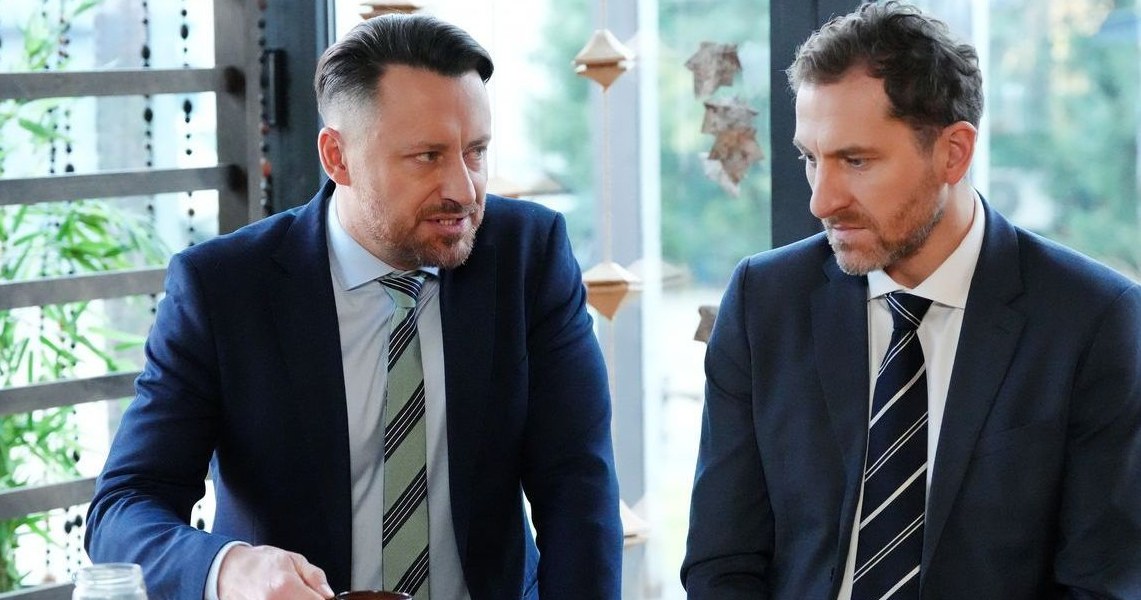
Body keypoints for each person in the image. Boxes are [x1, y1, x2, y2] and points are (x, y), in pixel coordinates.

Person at [85, 14, 622, 600]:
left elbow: (577, 485)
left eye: (475, 152)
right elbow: (124, 508)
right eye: (427, 156)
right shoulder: (223, 289)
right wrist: (230, 567)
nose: (464, 190)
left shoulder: (528, 255)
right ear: (337, 156)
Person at [681, 2, 1141, 598]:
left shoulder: (1094, 321)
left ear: (954, 152)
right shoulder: (764, 302)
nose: (822, 201)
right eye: (810, 159)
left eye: (855, 161)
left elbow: (1102, 583)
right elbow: (721, 563)